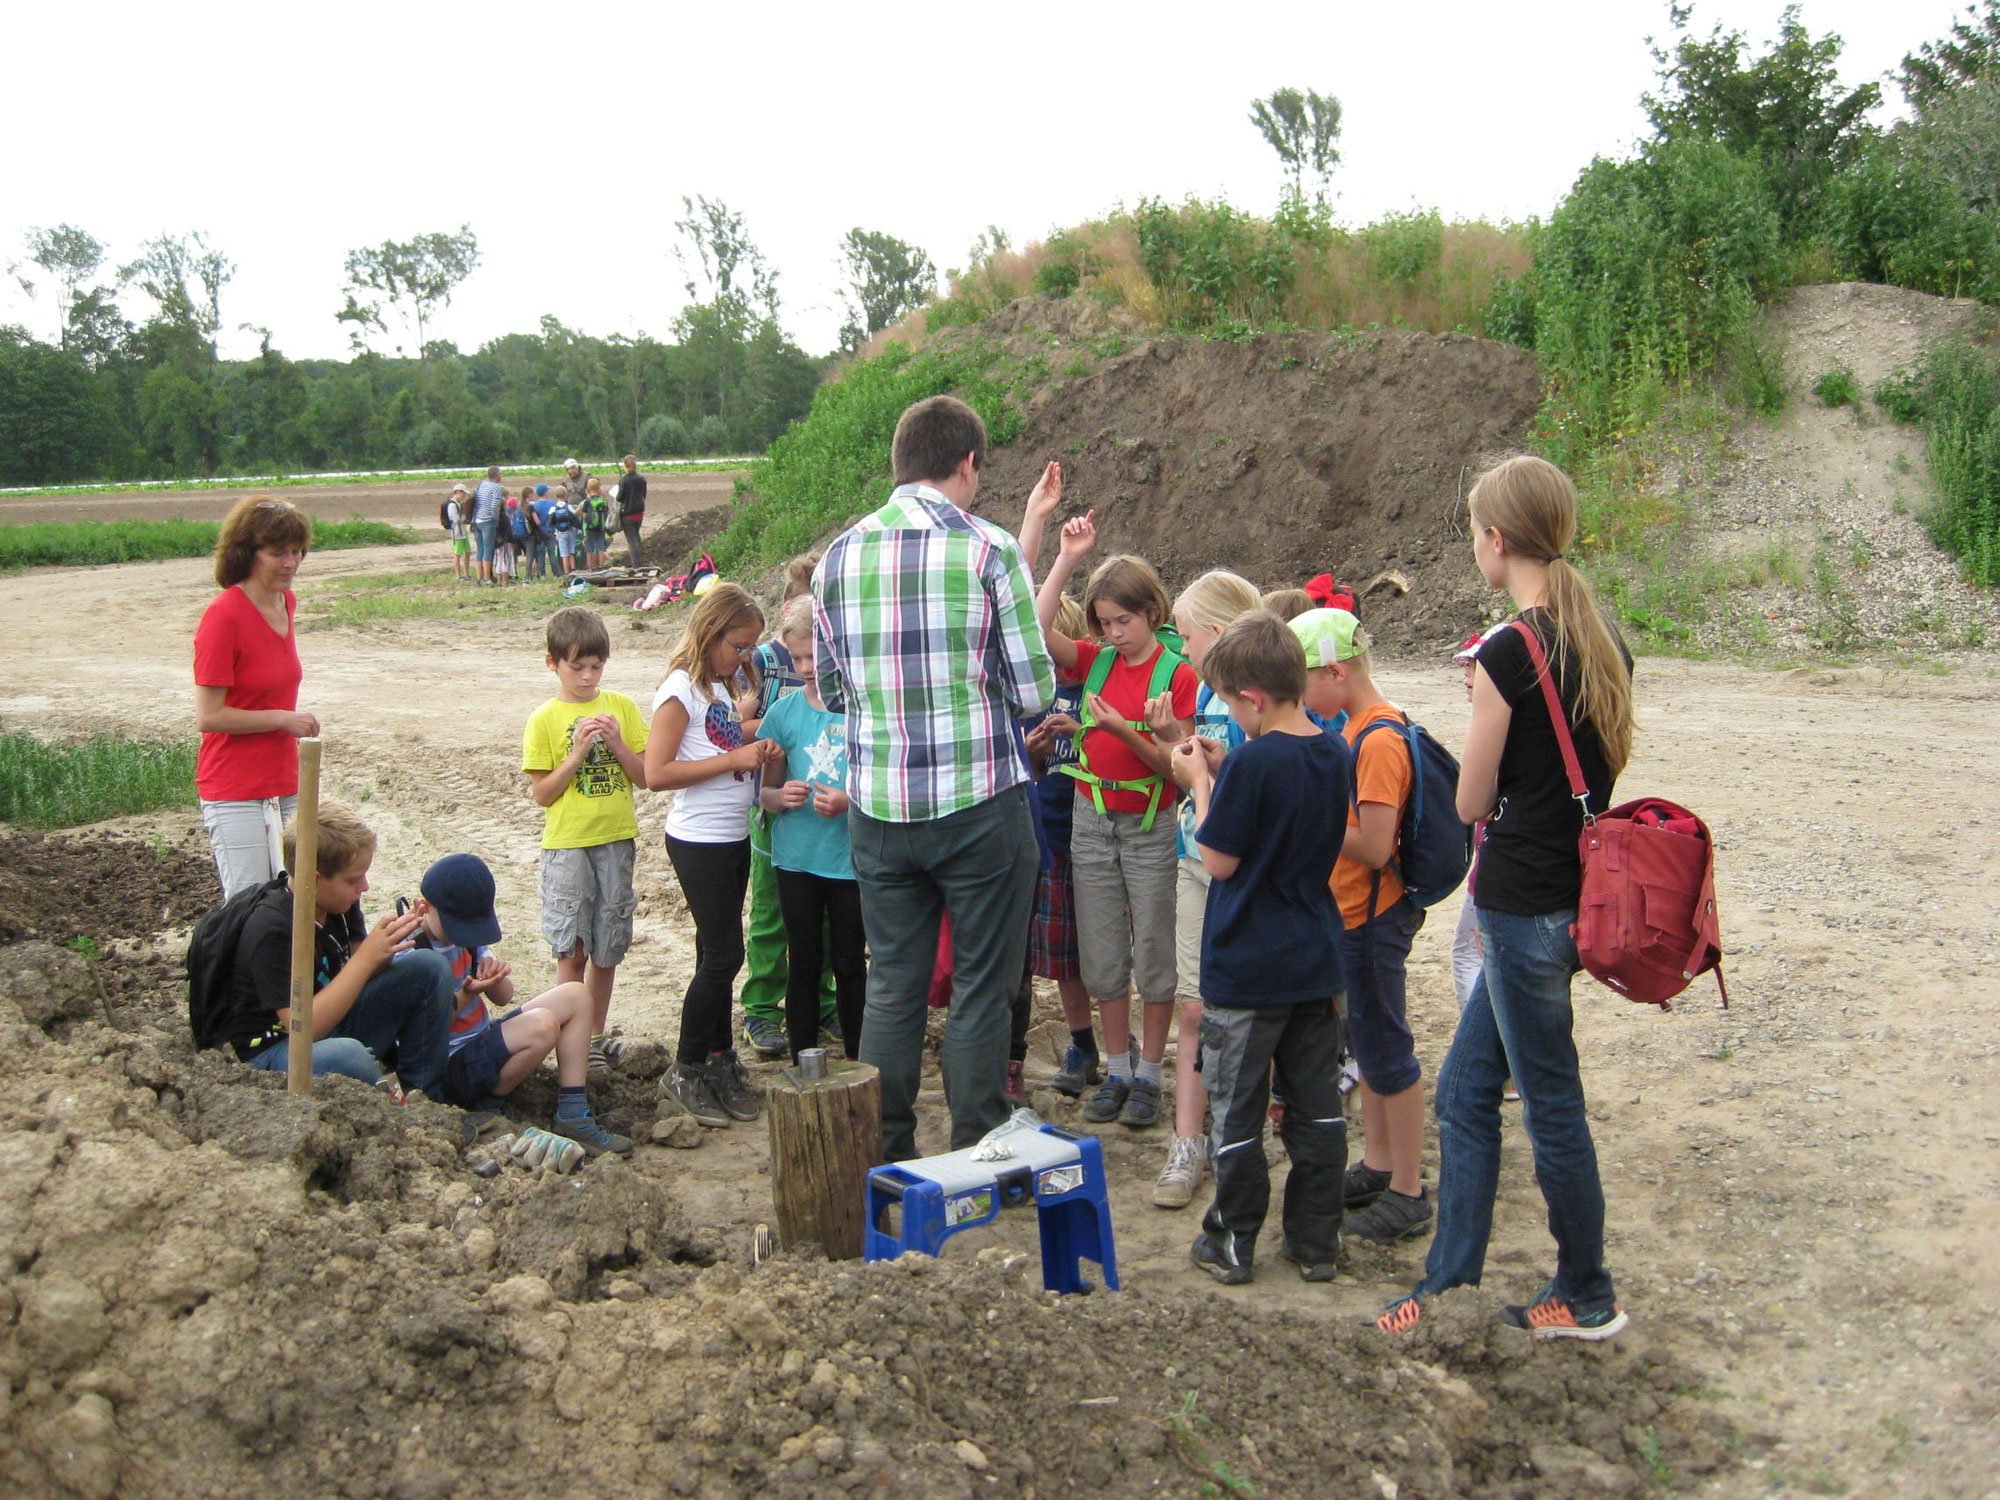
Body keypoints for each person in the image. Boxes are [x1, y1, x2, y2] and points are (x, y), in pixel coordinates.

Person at [1377, 453, 1635, 1342]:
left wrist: (1485, 704)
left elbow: (1469, 802)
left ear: (1495, 539)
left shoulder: (1505, 650)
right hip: (1570, 895)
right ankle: (1446, 1287)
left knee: (1550, 1101)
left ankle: (1588, 1291)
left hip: (1524, 906)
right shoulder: (1599, 637)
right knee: (1463, 1093)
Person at [811, 396, 1055, 1161]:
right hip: (980, 798)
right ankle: (976, 1144)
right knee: (983, 984)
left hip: (881, 807)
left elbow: (831, 687)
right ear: (968, 463)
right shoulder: (989, 550)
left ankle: (883, 1150)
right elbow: (1036, 692)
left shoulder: (835, 558)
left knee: (893, 984)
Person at [1171, 611, 1351, 1285]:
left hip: (1248, 966)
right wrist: (1228, 772)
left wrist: (1201, 785)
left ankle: (1234, 1239)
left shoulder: (1250, 762)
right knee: (1317, 1108)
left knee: (1238, 1108)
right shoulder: (1332, 751)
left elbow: (1218, 859)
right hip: (1314, 956)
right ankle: (1315, 1241)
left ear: (1252, 698)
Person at [1035, 511, 1197, 1131]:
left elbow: (1178, 768)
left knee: (1154, 948)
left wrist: (1117, 729)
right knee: (1101, 951)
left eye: (1123, 621)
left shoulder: (1177, 675)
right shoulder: (1095, 661)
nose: (1113, 633)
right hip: (1090, 816)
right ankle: (1120, 1066)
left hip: (1150, 821)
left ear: (1152, 612)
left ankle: (1151, 1072)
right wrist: (1067, 558)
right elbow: (1038, 623)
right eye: (1104, 623)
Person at [1292, 608, 1433, 1246]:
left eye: (1305, 682)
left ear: (1336, 672)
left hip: (1373, 915)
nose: (1301, 697)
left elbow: (1375, 846)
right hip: (1354, 912)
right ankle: (1378, 1164)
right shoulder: (1356, 728)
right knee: (1371, 1048)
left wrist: (1310, 816)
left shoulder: (1376, 740)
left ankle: (1408, 1187)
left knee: (1388, 1048)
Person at [1141, 568, 1264, 1209]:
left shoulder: (1258, 698)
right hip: (1194, 860)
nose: (1180, 648)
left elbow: (1244, 793)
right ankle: (1187, 1143)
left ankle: (1236, 1134)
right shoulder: (1213, 695)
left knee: (1245, 1011)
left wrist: (1202, 774)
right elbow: (1202, 768)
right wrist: (1175, 744)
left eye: (1185, 636)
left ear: (1215, 634)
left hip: (1239, 870)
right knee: (1193, 1004)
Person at [645, 583, 783, 1127]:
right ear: (711, 632)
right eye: (740, 646)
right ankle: (685, 1067)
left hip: (730, 836)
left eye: (750, 648)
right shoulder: (680, 690)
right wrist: (736, 760)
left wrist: (758, 740)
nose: (745, 657)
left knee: (715, 950)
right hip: (698, 839)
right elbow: (657, 773)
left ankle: (721, 1061)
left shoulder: (716, 687)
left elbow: (719, 741)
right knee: (725, 956)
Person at [221, 801, 453, 1097]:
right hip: (275, 1054)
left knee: (429, 969)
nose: (365, 886)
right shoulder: (272, 927)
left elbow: (358, 973)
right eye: (354, 879)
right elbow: (304, 1027)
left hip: (333, 1023)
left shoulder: (339, 903)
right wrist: (366, 960)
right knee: (349, 1056)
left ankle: (425, 1098)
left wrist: (390, 944)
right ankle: (393, 1108)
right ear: (315, 879)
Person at [414, 853, 631, 1154]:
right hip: (450, 1066)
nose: (462, 937)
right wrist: (469, 994)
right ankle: (487, 1103)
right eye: (456, 928)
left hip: (478, 1044)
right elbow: (425, 1027)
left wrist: (491, 975)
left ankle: (573, 1112)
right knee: (543, 1026)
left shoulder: (466, 939)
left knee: (576, 995)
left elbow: (504, 997)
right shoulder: (413, 953)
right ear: (422, 908)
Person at [521, 607, 650, 1077]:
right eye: (578, 666)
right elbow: (543, 794)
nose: (588, 676)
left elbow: (645, 775)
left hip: (616, 840)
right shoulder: (544, 719)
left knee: (608, 942)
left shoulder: (621, 707)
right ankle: (570, 1040)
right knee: (571, 947)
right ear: (552, 663)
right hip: (568, 845)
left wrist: (616, 743)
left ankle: (594, 1035)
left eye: (597, 666)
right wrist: (577, 752)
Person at [755, 595, 866, 1061]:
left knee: (850, 961)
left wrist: (849, 801)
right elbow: (765, 793)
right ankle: (805, 1057)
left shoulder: (860, 709)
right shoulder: (782, 713)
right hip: (796, 857)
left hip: (849, 859)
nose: (804, 667)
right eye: (796, 657)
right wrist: (780, 798)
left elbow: (881, 785)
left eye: (813, 658)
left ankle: (862, 1058)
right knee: (803, 958)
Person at [193, 495, 320, 898]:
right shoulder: (223, 616)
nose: (291, 562)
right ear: (247, 553)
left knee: (298, 899)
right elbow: (209, 715)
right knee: (248, 906)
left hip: (285, 779)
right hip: (234, 787)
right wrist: (283, 719)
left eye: (297, 552)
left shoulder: (287, 602)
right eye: (277, 552)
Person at [741, 551, 837, 1059]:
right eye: (798, 657)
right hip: (775, 813)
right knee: (771, 915)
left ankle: (824, 1003)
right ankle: (760, 1009)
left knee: (822, 921)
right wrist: (774, 734)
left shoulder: (838, 681)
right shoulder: (758, 661)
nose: (805, 668)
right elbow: (733, 724)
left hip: (826, 827)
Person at [1020, 596, 1098, 1100]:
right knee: (1064, 956)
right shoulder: (1038, 700)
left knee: (1108, 951)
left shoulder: (1098, 691)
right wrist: (1033, 754)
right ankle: (1083, 1043)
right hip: (1052, 839)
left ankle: (1116, 1037)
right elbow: (1029, 775)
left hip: (1097, 835)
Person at [472, 466, 505, 584]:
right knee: (488, 549)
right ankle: (487, 578)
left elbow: (475, 502)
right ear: (496, 476)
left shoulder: (481, 485)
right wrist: (495, 519)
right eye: (500, 474)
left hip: (477, 520)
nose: (501, 476)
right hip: (488, 520)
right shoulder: (496, 488)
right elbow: (495, 505)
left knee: (480, 549)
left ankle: (479, 577)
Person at [618, 454, 649, 568]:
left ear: (625, 466)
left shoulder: (624, 480)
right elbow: (644, 494)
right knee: (636, 536)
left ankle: (636, 564)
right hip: (639, 512)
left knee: (632, 541)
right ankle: (641, 560)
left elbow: (619, 497)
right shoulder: (642, 478)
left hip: (628, 513)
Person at [582, 479, 611, 570]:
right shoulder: (603, 501)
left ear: (588, 489)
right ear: (599, 488)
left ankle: (589, 565)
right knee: (600, 546)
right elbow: (607, 514)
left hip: (590, 528)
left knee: (589, 547)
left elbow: (584, 515)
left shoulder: (587, 501)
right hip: (601, 527)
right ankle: (601, 565)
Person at [549, 491, 580, 575]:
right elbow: (574, 518)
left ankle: (566, 572)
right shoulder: (569, 507)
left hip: (560, 533)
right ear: (565, 496)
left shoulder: (553, 508)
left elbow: (550, 522)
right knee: (571, 552)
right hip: (570, 531)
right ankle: (573, 570)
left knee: (564, 554)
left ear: (556, 496)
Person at [447, 483, 472, 582]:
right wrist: (465, 514)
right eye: (463, 494)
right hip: (457, 534)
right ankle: (458, 576)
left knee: (467, 552)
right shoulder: (452, 505)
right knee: (457, 554)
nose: (464, 496)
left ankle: (466, 574)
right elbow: (456, 519)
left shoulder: (457, 504)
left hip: (463, 533)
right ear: (458, 492)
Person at [493, 497, 517, 586]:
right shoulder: (505, 517)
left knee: (499, 560)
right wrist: (512, 540)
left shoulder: (494, 518)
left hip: (496, 542)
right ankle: (504, 581)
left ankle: (499, 580)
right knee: (505, 561)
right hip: (505, 542)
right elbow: (508, 530)